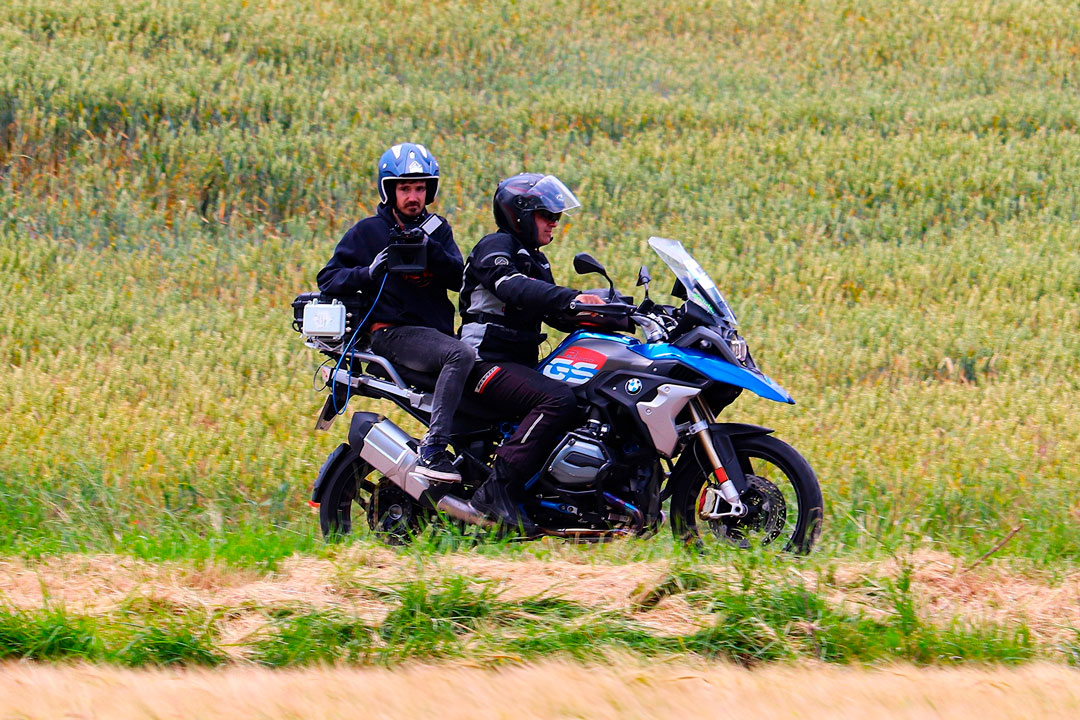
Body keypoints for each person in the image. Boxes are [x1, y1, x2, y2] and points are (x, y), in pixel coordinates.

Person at [317, 142, 473, 482]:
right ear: (390, 191)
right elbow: (327, 278)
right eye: (405, 188)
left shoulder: (437, 230)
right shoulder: (368, 232)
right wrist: (368, 272)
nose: (413, 196)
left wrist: (432, 251)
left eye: (419, 188)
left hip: (434, 337)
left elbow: (460, 279)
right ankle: (433, 452)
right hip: (392, 333)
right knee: (460, 356)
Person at [459, 173, 604, 530]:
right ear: (519, 215)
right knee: (557, 400)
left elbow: (556, 313)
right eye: (546, 214)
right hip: (483, 363)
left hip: (516, 364)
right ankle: (496, 488)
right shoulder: (496, 247)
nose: (554, 222)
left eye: (556, 215)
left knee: (585, 399)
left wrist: (620, 311)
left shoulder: (536, 260)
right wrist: (572, 297)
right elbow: (515, 288)